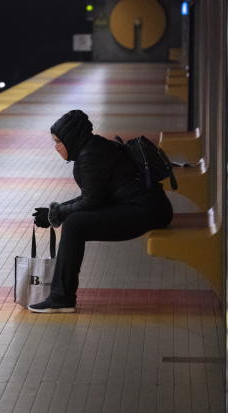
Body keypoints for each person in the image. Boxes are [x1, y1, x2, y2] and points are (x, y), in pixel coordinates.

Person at [28, 110, 173, 313]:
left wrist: (57, 214)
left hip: (145, 211)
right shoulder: (94, 147)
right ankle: (61, 296)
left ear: (72, 138)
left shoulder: (90, 156)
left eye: (59, 141)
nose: (56, 147)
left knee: (75, 225)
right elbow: (94, 197)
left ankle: (61, 298)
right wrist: (56, 212)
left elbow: (91, 201)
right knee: (75, 221)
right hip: (151, 207)